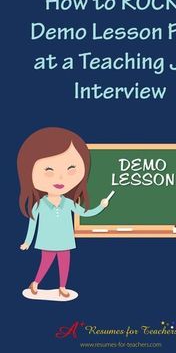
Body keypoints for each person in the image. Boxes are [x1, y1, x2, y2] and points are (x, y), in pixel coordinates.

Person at [18, 127, 109, 298]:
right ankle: (36, 282)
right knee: (45, 262)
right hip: (47, 240)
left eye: (71, 170)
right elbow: (32, 223)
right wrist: (27, 242)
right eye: (49, 171)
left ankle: (62, 287)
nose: (60, 179)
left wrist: (102, 206)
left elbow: (86, 213)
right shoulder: (40, 205)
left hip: (65, 239)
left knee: (65, 263)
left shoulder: (68, 203)